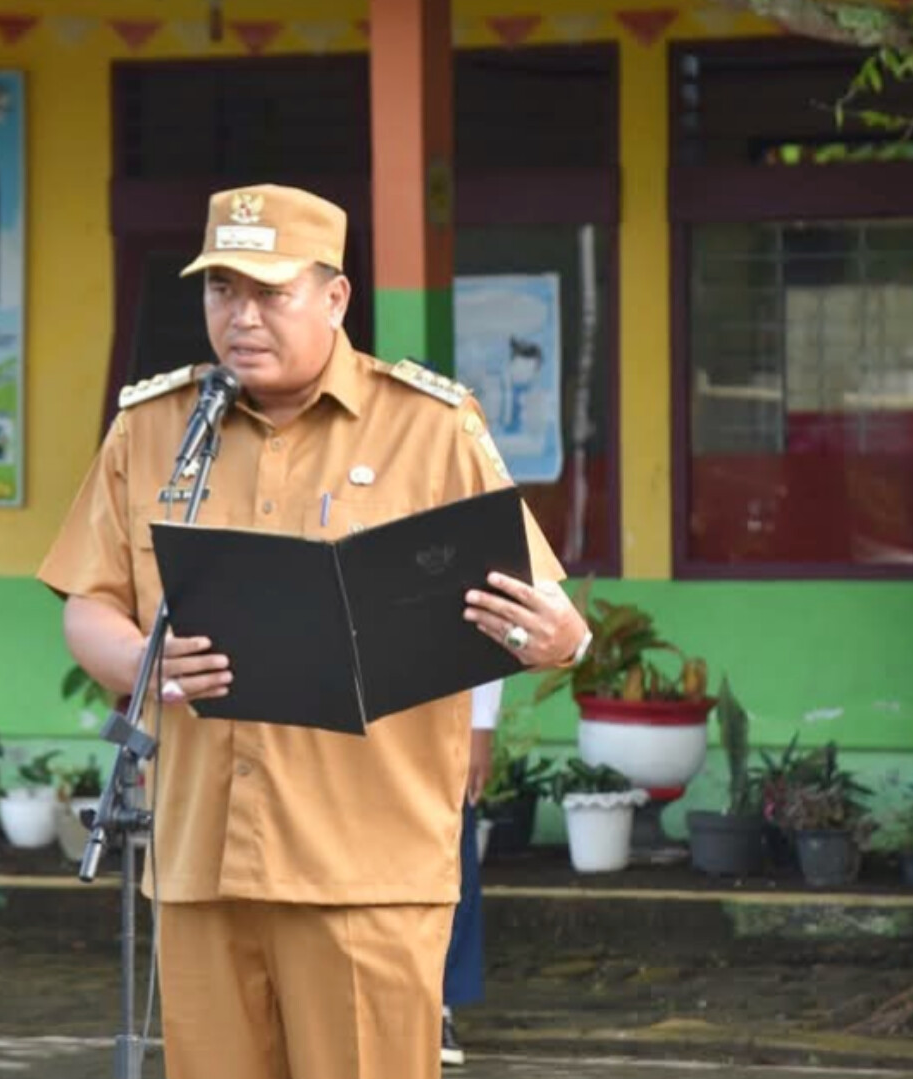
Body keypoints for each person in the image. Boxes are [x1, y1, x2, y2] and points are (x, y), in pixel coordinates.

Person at [38, 184, 591, 1079]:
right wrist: (143, 660)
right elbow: (88, 602)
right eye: (221, 289)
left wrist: (559, 637)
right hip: (202, 861)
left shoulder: (430, 428)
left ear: (335, 297)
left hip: (366, 869)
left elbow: (538, 611)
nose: (241, 316)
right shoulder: (154, 431)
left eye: (270, 292)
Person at [442, 678, 503, 1068]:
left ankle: (437, 1005)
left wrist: (480, 724)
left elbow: (487, 640)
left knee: (448, 849)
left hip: (435, 708)